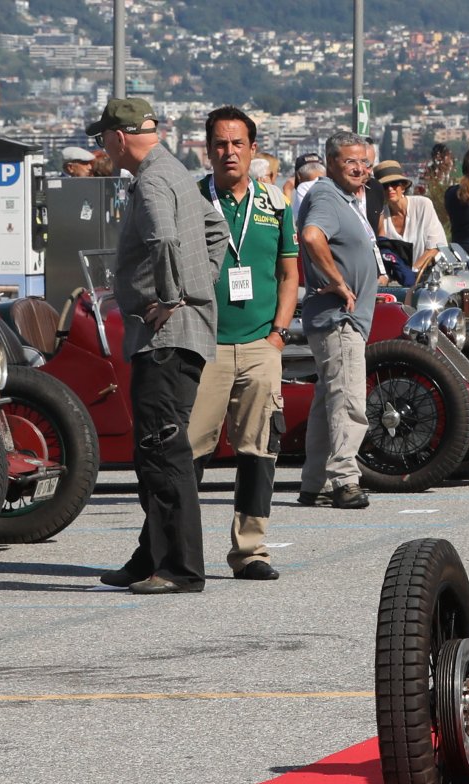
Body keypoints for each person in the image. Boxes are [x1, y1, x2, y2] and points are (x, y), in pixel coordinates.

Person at [88, 96, 228, 595]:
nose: (103, 147)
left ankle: (178, 568)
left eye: (103, 138)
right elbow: (217, 229)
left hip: (165, 336)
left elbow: (164, 240)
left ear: (118, 137)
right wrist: (201, 284)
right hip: (185, 332)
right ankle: (150, 555)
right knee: (159, 448)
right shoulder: (176, 172)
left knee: (161, 450)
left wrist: (172, 297)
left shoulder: (150, 181)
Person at [185, 106, 297, 583]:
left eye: (237, 144)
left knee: (259, 452)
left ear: (253, 150)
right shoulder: (190, 200)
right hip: (203, 345)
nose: (229, 152)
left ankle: (250, 551)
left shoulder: (275, 205)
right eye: (220, 144)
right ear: (207, 151)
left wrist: (278, 336)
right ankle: (177, 551)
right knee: (187, 453)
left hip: (259, 347)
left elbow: (289, 274)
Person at [295, 130, 381, 510]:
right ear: (331, 163)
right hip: (339, 319)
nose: (360, 169)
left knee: (326, 401)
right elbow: (312, 236)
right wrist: (339, 281)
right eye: (351, 162)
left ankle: (313, 483)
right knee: (348, 401)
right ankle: (345, 481)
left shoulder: (344, 198)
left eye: (365, 162)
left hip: (339, 318)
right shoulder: (328, 195)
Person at [376, 160, 446, 282]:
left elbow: (435, 247)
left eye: (394, 184)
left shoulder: (423, 205)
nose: (390, 189)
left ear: (403, 186)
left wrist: (412, 273)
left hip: (428, 279)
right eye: (385, 186)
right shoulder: (381, 216)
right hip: (397, 283)